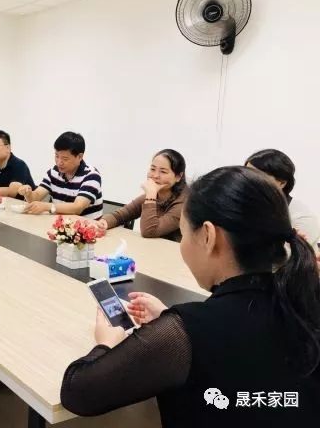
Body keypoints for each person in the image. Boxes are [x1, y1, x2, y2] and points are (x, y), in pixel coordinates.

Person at [60, 166, 320, 427]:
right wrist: (168, 319)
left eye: (183, 234)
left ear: (208, 236)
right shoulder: (302, 300)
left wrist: (106, 342)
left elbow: (78, 392)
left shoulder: (188, 331)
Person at [98, 149, 187, 241]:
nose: (155, 175)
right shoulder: (155, 193)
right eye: (153, 169)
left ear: (178, 176)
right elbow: (121, 215)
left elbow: (150, 231)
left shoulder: (185, 203)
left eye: (163, 172)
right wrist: (103, 222)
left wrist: (151, 195)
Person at [17, 132, 103, 219]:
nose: (59, 162)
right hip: (58, 223)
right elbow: (36, 197)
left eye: (65, 159)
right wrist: (28, 193)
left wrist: (47, 206)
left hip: (85, 225)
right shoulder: (53, 172)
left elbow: (78, 207)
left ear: (80, 157)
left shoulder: (91, 175)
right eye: (57, 156)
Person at [245, 149, 319, 245]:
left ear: (282, 183)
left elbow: (288, 254)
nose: (248, 181)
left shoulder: (301, 218)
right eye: (246, 174)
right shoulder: (244, 207)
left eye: (258, 177)